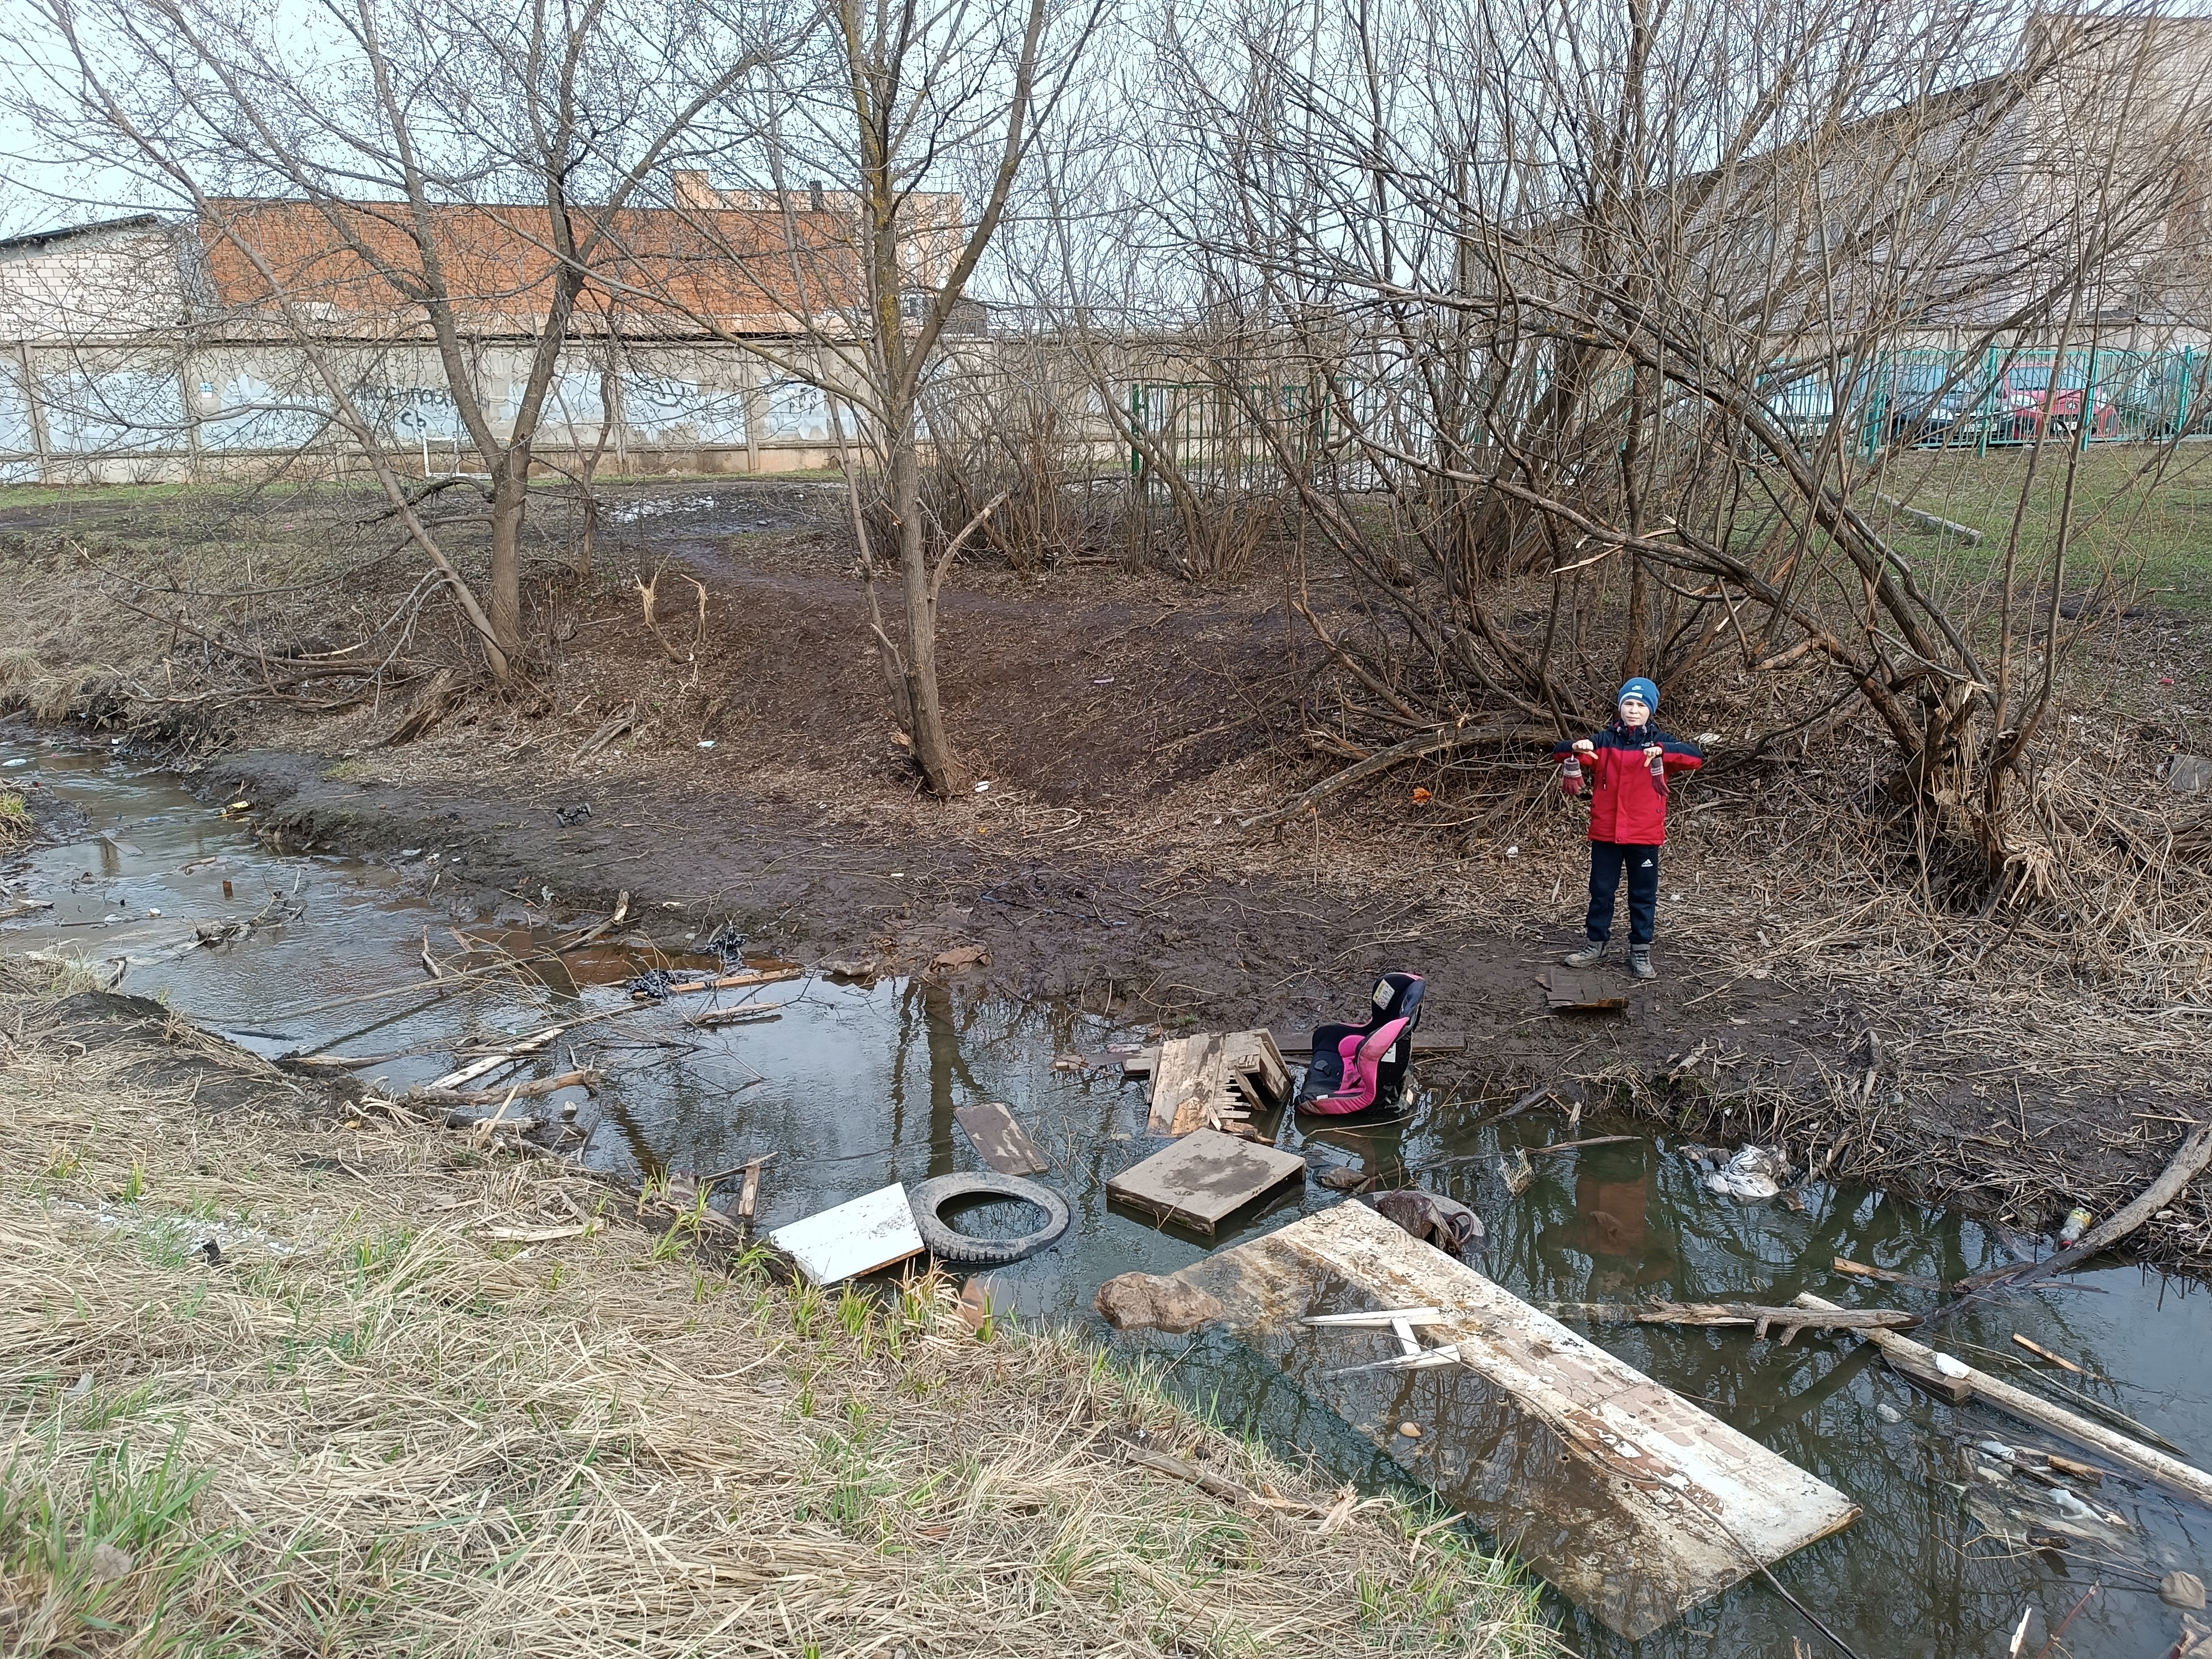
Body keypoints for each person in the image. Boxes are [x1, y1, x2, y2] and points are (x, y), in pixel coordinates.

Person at [1553, 677, 1702, 979]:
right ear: (1620, 708)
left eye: (1640, 705)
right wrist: (1575, 747)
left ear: (1650, 710)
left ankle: (1640, 951)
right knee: (1601, 891)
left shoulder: (1662, 742)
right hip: (1606, 833)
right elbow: (1560, 752)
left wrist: (1662, 751)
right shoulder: (1604, 742)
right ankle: (1596, 944)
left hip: (1644, 834)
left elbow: (1695, 757)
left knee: (1643, 895)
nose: (1634, 711)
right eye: (1628, 704)